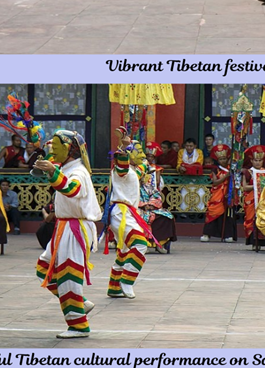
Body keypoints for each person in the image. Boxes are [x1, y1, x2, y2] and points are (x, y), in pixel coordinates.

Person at [33, 130, 101, 338]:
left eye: (56, 145)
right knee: (44, 268)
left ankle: (78, 326)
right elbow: (43, 173)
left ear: (69, 149)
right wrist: (48, 167)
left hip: (75, 228)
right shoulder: (67, 167)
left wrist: (53, 172)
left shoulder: (78, 172)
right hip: (64, 227)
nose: (52, 149)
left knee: (69, 276)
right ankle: (80, 304)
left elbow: (71, 189)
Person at [102, 138, 153, 299]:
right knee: (140, 244)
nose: (142, 153)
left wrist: (145, 163)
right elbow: (123, 163)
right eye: (138, 150)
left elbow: (142, 168)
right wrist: (124, 147)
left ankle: (114, 287)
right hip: (121, 213)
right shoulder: (121, 170)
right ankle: (127, 280)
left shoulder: (132, 171)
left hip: (128, 213)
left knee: (124, 251)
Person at [138, 146, 174, 254]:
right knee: (142, 217)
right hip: (138, 208)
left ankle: (159, 243)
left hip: (151, 208)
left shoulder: (150, 186)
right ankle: (144, 245)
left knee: (167, 217)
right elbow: (131, 198)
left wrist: (151, 204)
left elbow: (156, 195)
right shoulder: (133, 186)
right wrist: (143, 205)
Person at [200, 144, 237, 243]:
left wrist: (231, 193)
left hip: (228, 194)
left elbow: (235, 182)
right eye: (220, 159)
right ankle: (206, 234)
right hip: (217, 195)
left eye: (224, 158)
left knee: (228, 215)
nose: (223, 161)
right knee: (213, 212)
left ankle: (228, 235)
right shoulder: (215, 169)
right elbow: (215, 182)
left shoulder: (232, 169)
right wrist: (226, 176)